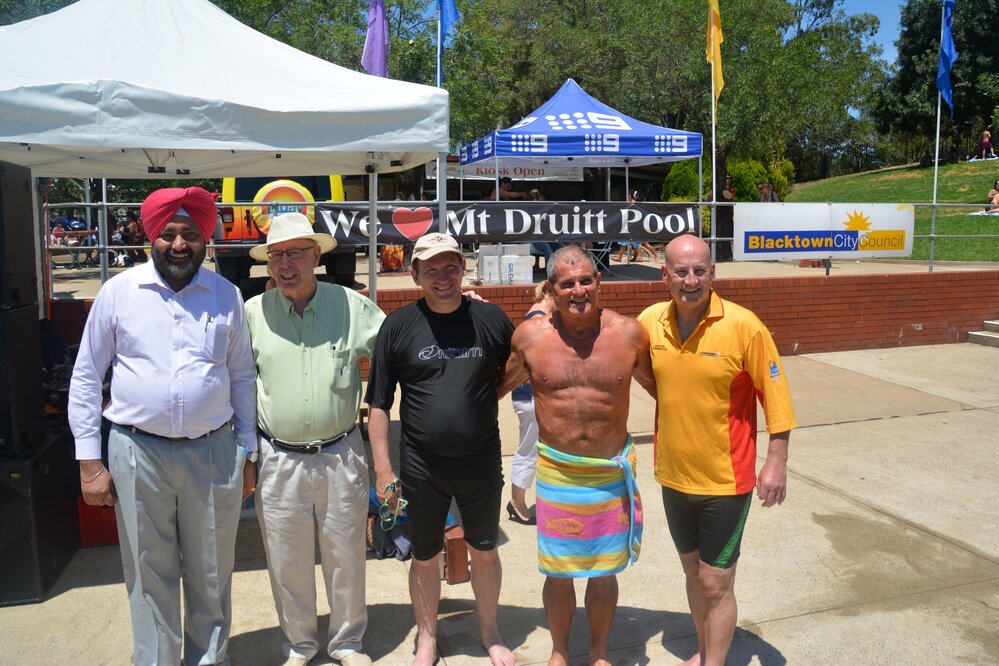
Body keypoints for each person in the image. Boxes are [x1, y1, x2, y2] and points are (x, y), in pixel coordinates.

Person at [68, 186, 257, 666]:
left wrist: (248, 452)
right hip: (137, 454)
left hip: (213, 454)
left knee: (211, 572)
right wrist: (90, 463)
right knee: (148, 574)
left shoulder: (226, 295)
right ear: (151, 235)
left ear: (205, 239)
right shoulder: (118, 292)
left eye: (191, 234)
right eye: (169, 233)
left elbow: (241, 377)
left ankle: (208, 660)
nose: (179, 244)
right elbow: (88, 377)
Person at [637, 234, 797, 666]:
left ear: (713, 272)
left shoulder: (744, 325)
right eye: (681, 272)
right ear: (664, 274)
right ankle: (706, 650)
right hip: (673, 474)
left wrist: (776, 462)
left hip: (728, 479)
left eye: (700, 270)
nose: (691, 280)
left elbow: (776, 396)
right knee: (693, 573)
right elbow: (624, 357)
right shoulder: (651, 321)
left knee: (715, 582)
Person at [498, 245, 656, 666]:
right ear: (551, 289)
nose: (578, 290)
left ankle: (599, 650)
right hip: (558, 473)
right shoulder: (530, 337)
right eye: (567, 283)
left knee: (604, 570)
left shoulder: (629, 335)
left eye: (586, 280)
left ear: (599, 282)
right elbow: (487, 388)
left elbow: (668, 392)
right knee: (558, 569)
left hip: (609, 471)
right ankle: (560, 650)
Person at [364, 232, 517, 666]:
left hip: (481, 463)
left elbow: (524, 363)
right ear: (415, 275)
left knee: (485, 552)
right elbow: (378, 404)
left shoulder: (491, 320)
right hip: (421, 468)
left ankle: (490, 633)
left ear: (464, 269)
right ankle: (427, 640)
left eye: (451, 266)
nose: (443, 276)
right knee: (426, 557)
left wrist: (485, 397)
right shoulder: (397, 327)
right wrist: (382, 471)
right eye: (431, 268)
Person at [245, 213, 386, 666]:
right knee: (287, 562)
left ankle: (347, 643)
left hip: (341, 453)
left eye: (295, 254)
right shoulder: (251, 314)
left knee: (346, 555)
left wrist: (456, 310)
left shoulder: (351, 305)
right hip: (277, 458)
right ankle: (299, 645)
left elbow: (398, 346)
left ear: (316, 257)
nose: (286, 265)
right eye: (277, 256)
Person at [506, 282, 555, 525]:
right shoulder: (538, 319)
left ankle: (519, 499)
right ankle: (517, 502)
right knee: (529, 448)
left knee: (533, 447)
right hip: (530, 396)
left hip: (532, 395)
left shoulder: (540, 314)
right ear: (549, 290)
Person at [714, 175, 735, 261]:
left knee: (728, 235)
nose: (727, 180)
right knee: (719, 236)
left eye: (729, 178)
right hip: (719, 216)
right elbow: (709, 200)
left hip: (728, 215)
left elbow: (731, 198)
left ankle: (728, 254)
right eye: (726, 178)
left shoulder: (732, 189)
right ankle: (719, 255)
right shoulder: (717, 189)